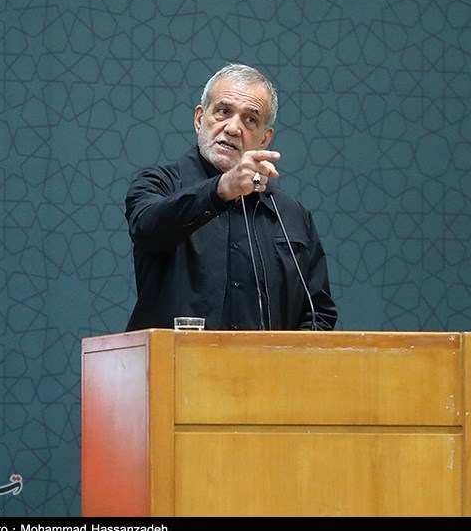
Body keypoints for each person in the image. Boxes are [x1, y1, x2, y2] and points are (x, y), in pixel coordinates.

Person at [124, 62, 337, 331]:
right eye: (223, 112)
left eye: (250, 120)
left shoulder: (291, 215)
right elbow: (148, 229)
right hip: (175, 358)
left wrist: (287, 356)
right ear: (199, 119)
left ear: (264, 139)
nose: (233, 128)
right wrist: (222, 189)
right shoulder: (158, 184)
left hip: (267, 360)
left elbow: (318, 314)